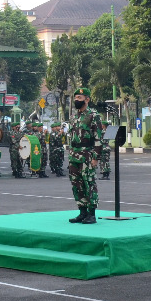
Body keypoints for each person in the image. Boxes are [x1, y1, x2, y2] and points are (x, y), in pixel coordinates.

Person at [66, 87, 103, 223]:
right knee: (76, 184)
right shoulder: (74, 116)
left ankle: (91, 214)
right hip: (74, 155)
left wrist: (95, 158)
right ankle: (82, 211)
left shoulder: (93, 115)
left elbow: (98, 138)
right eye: (75, 98)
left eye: (79, 98)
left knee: (89, 183)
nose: (77, 100)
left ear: (87, 99)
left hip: (87, 154)